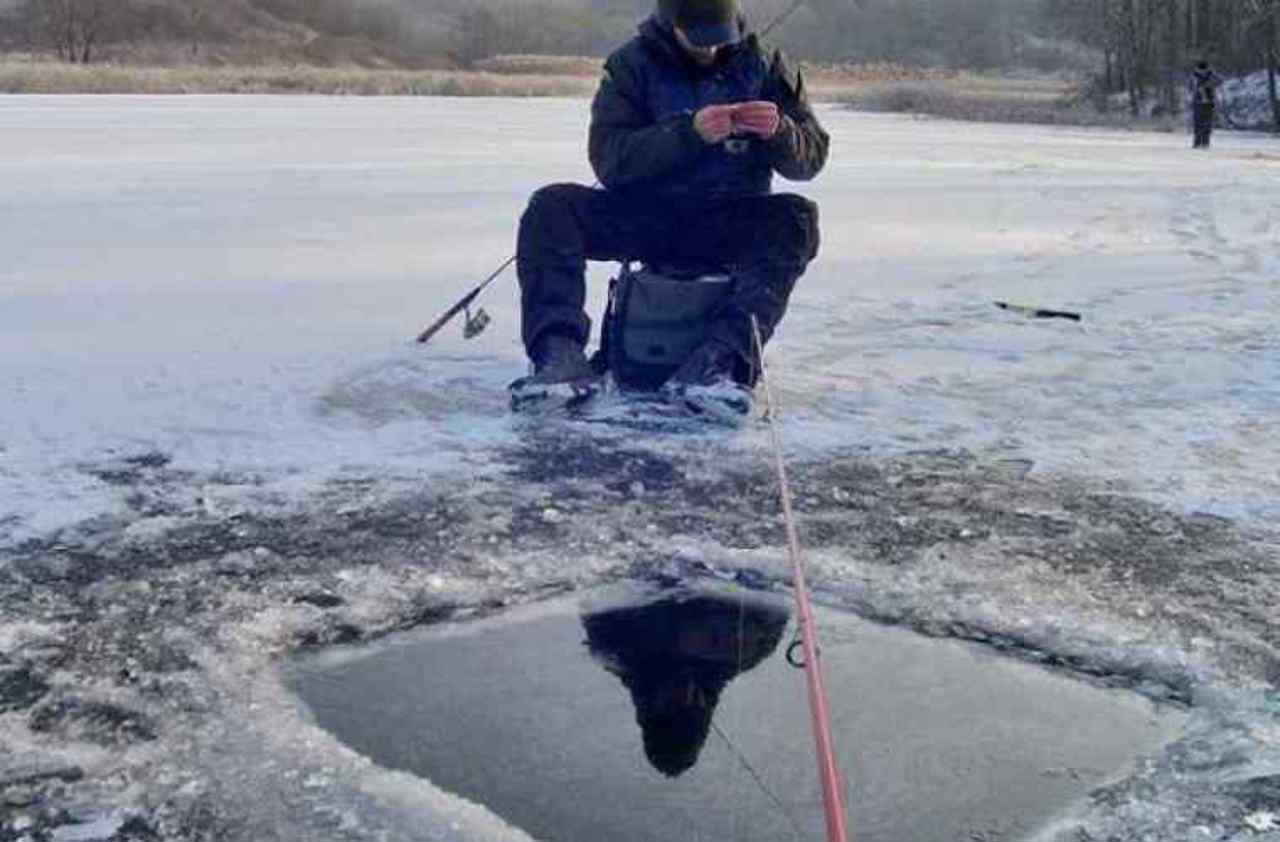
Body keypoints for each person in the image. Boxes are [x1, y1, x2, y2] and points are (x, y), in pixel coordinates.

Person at [514, 0, 828, 406]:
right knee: (551, 208)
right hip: (646, 217)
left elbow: (812, 159)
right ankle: (558, 357)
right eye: (700, 41)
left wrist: (782, 133)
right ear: (671, 25)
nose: (711, 50)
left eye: (721, 40)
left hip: (728, 218)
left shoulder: (765, 65)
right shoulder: (630, 65)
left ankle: (721, 365)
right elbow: (610, 161)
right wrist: (688, 133)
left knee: (797, 219)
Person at [581, 582, 789, 777]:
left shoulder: (616, 650)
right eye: (696, 705)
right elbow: (779, 607)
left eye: (674, 703)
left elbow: (595, 595)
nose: (688, 693)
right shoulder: (744, 656)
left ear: (653, 708)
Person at [1189, 61, 1224, 149]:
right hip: (1198, 103)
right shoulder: (1194, 76)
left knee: (1207, 123)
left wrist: (1210, 84)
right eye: (1201, 71)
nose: (1202, 73)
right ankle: (1197, 142)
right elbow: (1190, 87)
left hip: (1209, 102)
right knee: (1198, 123)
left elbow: (1220, 81)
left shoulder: (1211, 75)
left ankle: (1205, 142)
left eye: (1204, 71)